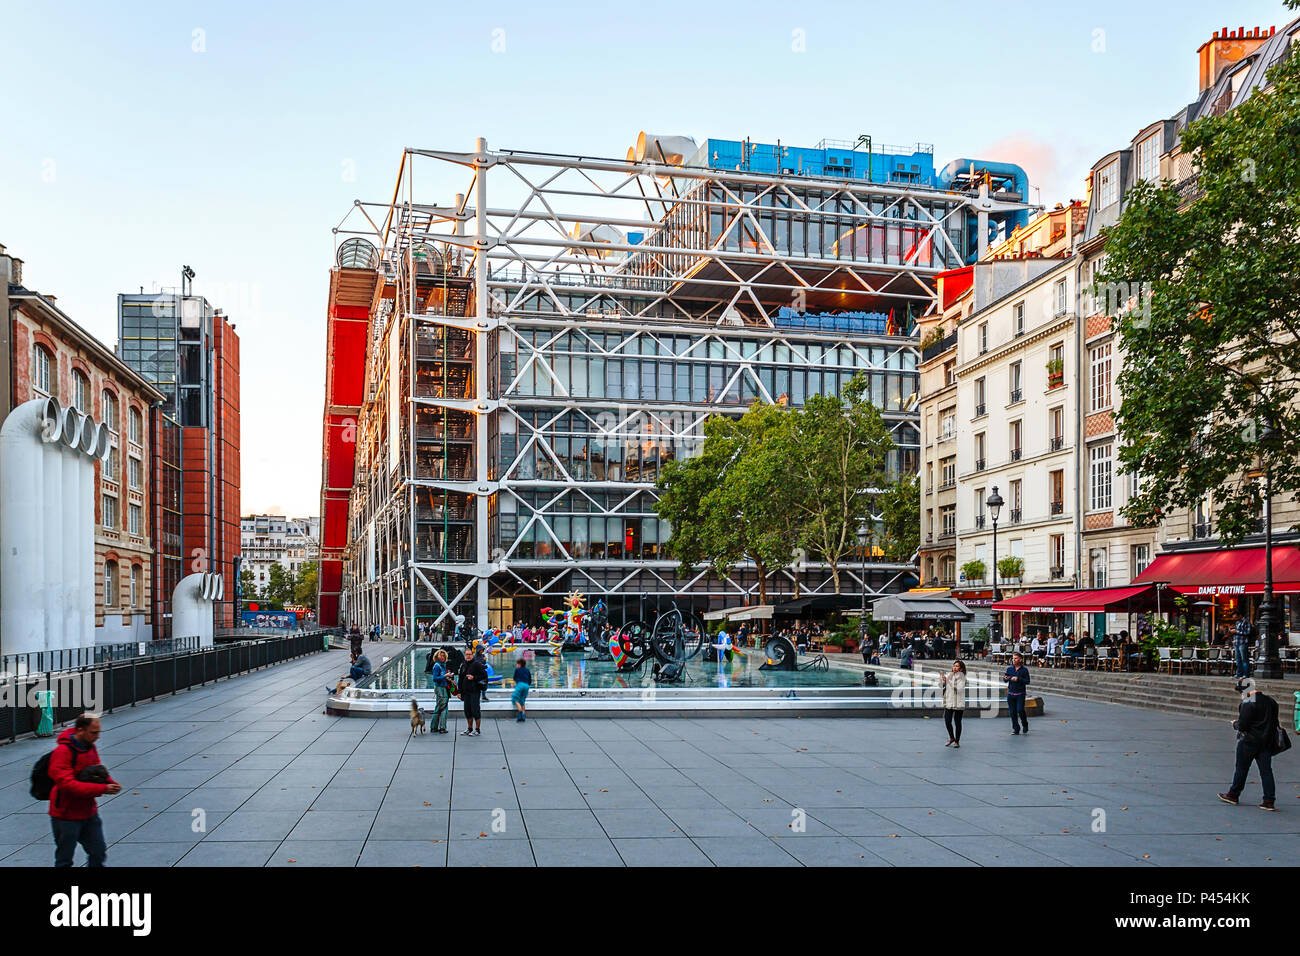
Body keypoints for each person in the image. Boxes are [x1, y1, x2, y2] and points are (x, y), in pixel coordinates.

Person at [48, 714, 122, 867]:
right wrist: (103, 788)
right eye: (93, 733)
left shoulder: (90, 747)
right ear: (80, 730)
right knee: (64, 858)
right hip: (66, 814)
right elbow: (68, 785)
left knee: (98, 852)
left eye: (98, 732)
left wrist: (110, 783)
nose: (97, 737)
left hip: (88, 812)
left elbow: (97, 771)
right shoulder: (62, 752)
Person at [1219, 679, 1280, 810]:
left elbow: (1242, 725)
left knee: (1241, 768)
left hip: (1249, 741)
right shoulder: (1271, 702)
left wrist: (1234, 724)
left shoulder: (1248, 703)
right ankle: (1269, 800)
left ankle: (1233, 794)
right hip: (1266, 741)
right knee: (1266, 771)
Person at [939, 660, 968, 748]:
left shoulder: (962, 678)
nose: (954, 667)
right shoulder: (949, 675)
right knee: (947, 721)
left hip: (958, 702)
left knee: (957, 722)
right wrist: (942, 680)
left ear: (961, 668)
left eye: (957, 666)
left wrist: (948, 681)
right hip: (949, 701)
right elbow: (941, 686)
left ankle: (957, 741)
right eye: (954, 666)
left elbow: (959, 689)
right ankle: (951, 737)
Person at [458, 650, 487, 736]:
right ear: (464, 655)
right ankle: (469, 728)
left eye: (470, 654)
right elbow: (460, 679)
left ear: (473, 655)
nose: (468, 656)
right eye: (467, 654)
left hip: (475, 691)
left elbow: (484, 676)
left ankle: (477, 729)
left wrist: (474, 677)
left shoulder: (477, 664)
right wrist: (459, 692)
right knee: (467, 711)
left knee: (475, 710)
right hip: (466, 692)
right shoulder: (463, 665)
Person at [1004, 652, 1030, 735]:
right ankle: (1016, 728)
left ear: (1020, 659)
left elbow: (1027, 681)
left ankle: (1025, 724)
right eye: (1013, 658)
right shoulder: (1009, 669)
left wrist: (1018, 679)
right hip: (1011, 693)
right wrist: (1006, 678)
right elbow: (1005, 679)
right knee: (1012, 713)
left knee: (1020, 710)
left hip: (1020, 693)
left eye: (1015, 658)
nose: (1013, 660)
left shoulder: (1024, 670)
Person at [429, 650, 451, 733]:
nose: (442, 657)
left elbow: (440, 677)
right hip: (440, 688)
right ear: (437, 657)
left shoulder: (442, 665)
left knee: (439, 707)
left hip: (443, 688)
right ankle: (442, 727)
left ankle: (434, 727)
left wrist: (447, 677)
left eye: (444, 656)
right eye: (441, 656)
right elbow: (435, 678)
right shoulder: (437, 666)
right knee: (444, 708)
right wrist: (445, 676)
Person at [512, 656, 532, 722]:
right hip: (527, 685)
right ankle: (523, 715)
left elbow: (514, 678)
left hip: (520, 684)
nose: (516, 665)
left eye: (517, 664)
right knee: (522, 700)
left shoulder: (517, 669)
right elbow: (530, 679)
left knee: (514, 698)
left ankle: (520, 712)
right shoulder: (527, 670)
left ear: (519, 664)